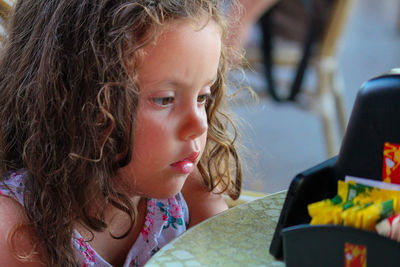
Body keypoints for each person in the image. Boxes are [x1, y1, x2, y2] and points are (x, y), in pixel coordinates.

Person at [0, 0, 242, 266]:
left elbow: (225, 256)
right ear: (77, 102)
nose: (199, 126)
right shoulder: (17, 232)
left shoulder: (191, 185)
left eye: (203, 97)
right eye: (165, 99)